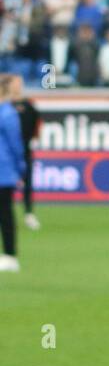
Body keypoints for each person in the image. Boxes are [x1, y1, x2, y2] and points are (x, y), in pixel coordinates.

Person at [4, 75, 38, 233]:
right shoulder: (6, 107)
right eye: (16, 83)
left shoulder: (28, 104)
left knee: (27, 182)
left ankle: (28, 213)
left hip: (23, 149)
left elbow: (35, 122)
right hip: (7, 154)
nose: (19, 85)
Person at [0, 85, 24, 273]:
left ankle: (10, 255)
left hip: (4, 170)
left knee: (5, 214)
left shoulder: (7, 114)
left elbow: (15, 144)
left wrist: (19, 167)